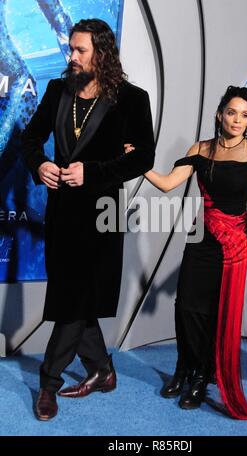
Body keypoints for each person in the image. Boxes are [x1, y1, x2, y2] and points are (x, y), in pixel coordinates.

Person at [22, 18, 155, 421]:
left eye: (80, 50)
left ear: (102, 52)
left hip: (102, 214)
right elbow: (30, 138)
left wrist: (92, 172)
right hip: (62, 213)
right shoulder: (57, 90)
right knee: (74, 297)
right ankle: (103, 369)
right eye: (71, 49)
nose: (72, 56)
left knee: (73, 301)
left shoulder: (131, 98)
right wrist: (40, 164)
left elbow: (143, 157)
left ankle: (49, 383)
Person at [126, 86, 247, 420]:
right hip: (201, 236)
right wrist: (140, 164)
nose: (237, 119)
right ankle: (183, 368)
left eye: (244, 114)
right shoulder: (201, 148)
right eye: (231, 112)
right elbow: (166, 183)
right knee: (186, 306)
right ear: (220, 114)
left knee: (213, 312)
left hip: (233, 242)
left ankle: (202, 377)